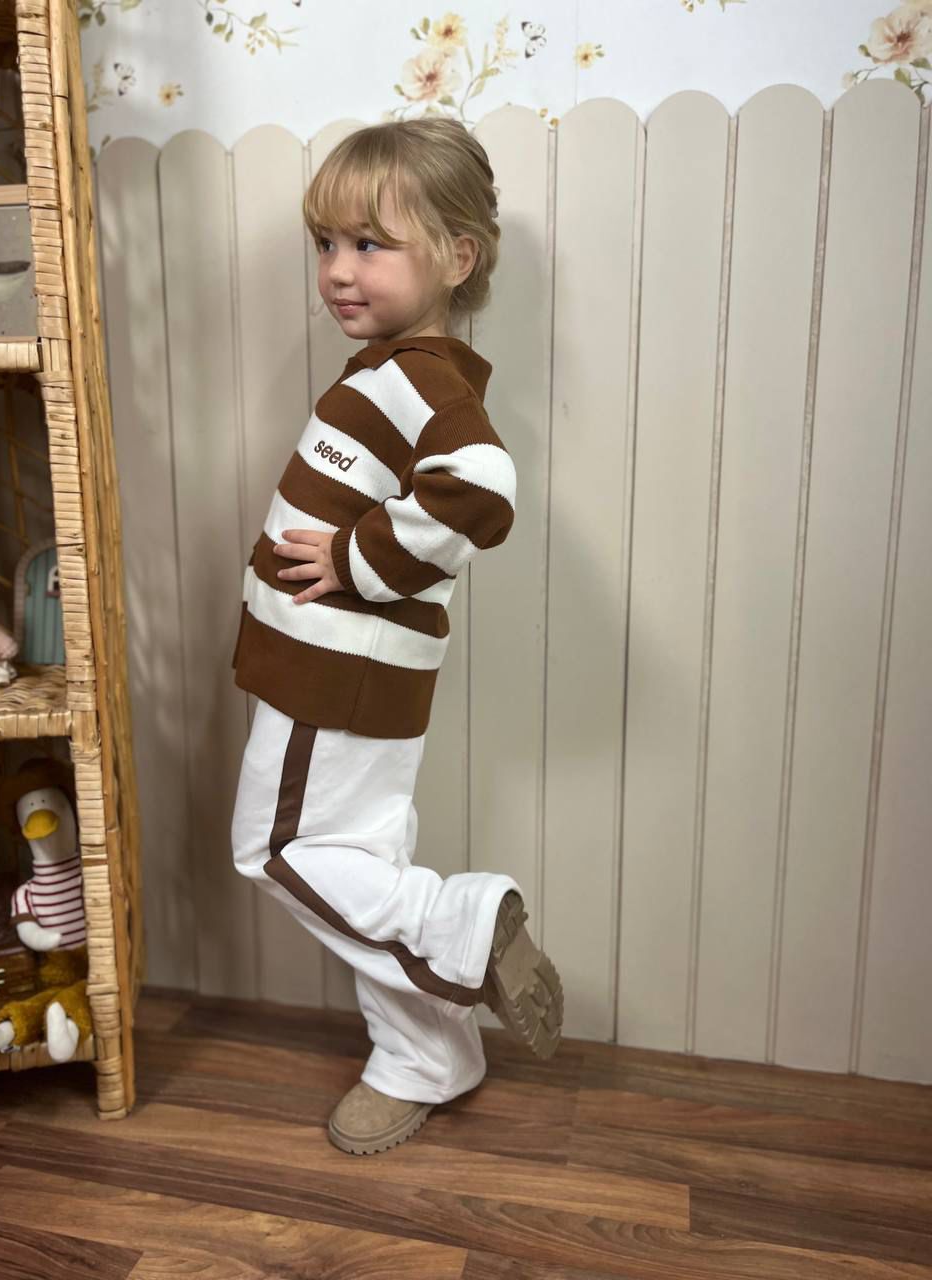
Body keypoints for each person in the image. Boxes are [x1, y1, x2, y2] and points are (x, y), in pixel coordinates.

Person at [229, 117, 563, 1156]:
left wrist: (355, 559)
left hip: (332, 676)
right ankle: (425, 1057)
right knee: (361, 855)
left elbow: (483, 488)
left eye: (370, 244)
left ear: (458, 258)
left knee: (278, 849)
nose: (338, 269)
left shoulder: (417, 376)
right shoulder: (392, 368)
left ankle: (461, 924)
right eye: (327, 243)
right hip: (359, 677)